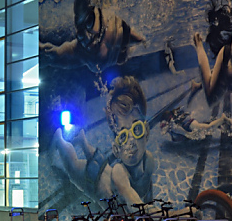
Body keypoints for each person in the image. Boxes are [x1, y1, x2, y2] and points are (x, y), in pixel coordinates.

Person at [51, 76, 158, 206]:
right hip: (94, 182)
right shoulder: (119, 174)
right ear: (116, 149)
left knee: (97, 162)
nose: (131, 141)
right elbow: (136, 207)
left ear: (146, 131)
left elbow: (148, 196)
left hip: (104, 169)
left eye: (137, 129)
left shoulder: (149, 161)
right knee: (72, 167)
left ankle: (83, 141)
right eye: (123, 136)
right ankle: (59, 138)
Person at [40, 0, 145, 72]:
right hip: (99, 54)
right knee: (52, 54)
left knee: (53, 54)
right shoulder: (82, 53)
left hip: (99, 52)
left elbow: (137, 41)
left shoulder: (80, 53)